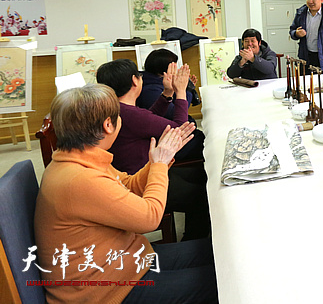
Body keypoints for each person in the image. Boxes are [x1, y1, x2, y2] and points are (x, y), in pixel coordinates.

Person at [34, 84, 218, 304]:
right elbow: (149, 218)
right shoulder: (78, 179)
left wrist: (155, 162)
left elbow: (128, 185)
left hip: (127, 261)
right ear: (108, 125)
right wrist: (158, 166)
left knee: (220, 252)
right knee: (223, 281)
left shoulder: (79, 157)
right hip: (107, 291)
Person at [96, 59, 210, 241]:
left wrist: (167, 93)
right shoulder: (129, 114)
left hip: (140, 172)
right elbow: (180, 130)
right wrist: (181, 92)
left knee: (204, 175)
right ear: (135, 81)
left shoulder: (117, 109)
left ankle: (194, 237)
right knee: (204, 193)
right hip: (141, 182)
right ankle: (193, 242)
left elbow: (148, 119)